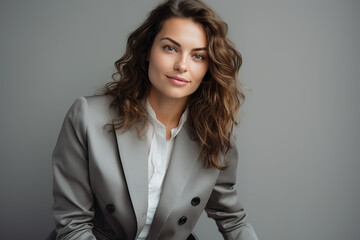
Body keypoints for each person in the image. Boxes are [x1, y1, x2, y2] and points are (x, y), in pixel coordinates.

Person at [49, 0, 259, 239]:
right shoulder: (88, 116)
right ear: (148, 51)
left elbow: (233, 220)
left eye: (198, 56)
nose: (182, 65)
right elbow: (73, 225)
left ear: (208, 67)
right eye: (170, 48)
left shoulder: (215, 133)